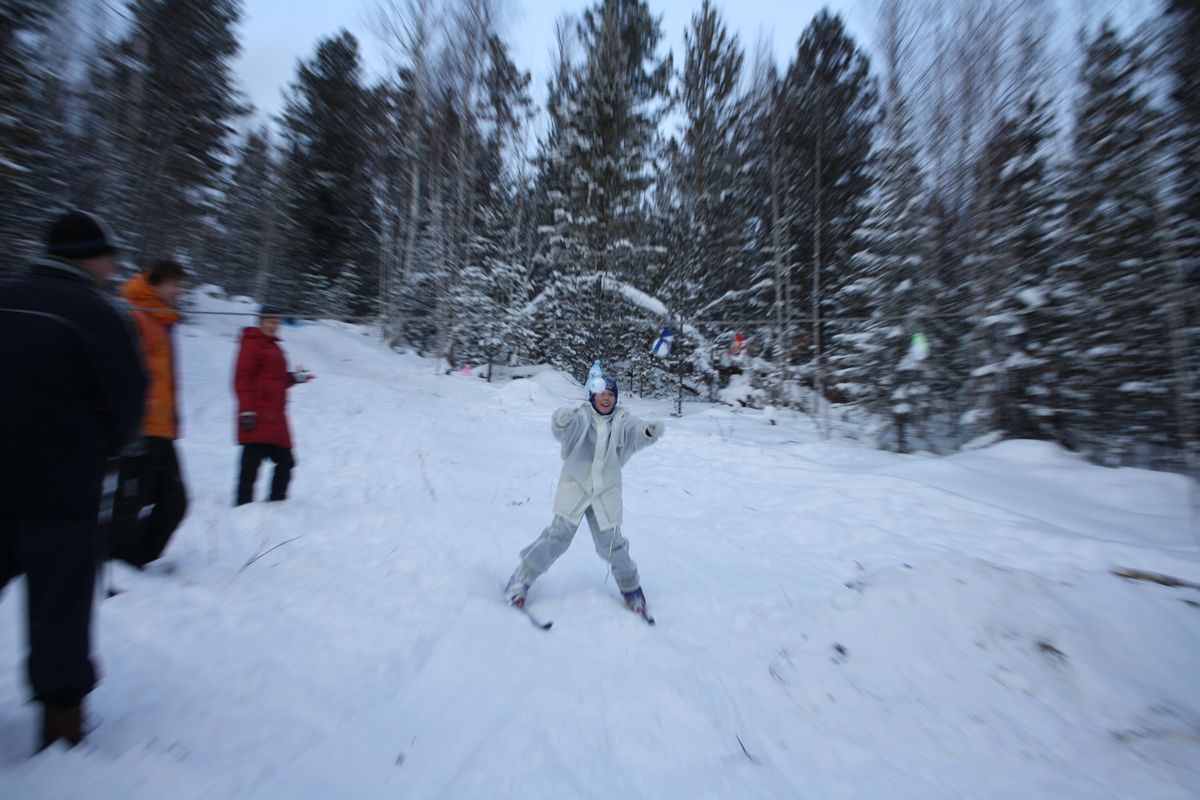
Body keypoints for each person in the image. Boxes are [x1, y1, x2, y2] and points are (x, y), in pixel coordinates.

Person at [0, 210, 146, 751]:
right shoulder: (99, 314)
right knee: (59, 607)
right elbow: (128, 405)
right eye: (108, 256)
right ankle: (61, 726)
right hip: (60, 492)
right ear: (91, 257)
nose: (112, 266)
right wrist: (100, 450)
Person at [504, 374, 664, 617]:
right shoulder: (582, 415)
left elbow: (635, 431)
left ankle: (631, 589)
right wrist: (562, 421)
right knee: (556, 538)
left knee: (613, 546)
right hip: (575, 489)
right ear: (592, 395)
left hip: (605, 493)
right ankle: (521, 579)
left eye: (611, 394)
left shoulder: (622, 420)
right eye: (602, 393)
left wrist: (647, 431)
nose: (606, 398)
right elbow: (564, 430)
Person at [110, 259, 188, 568]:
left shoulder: (162, 320)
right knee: (129, 503)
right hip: (139, 429)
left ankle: (133, 561)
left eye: (181, 285)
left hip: (162, 429)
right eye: (174, 285)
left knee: (175, 502)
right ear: (154, 283)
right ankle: (119, 567)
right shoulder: (134, 317)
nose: (179, 292)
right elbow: (120, 373)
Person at [233, 305, 313, 505]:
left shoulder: (273, 346)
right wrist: (247, 411)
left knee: (286, 462)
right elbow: (242, 377)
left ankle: (277, 506)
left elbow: (275, 380)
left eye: (277, 322)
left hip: (275, 417)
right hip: (257, 414)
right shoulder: (252, 343)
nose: (274, 326)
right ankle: (242, 508)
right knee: (250, 466)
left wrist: (295, 378)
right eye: (270, 321)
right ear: (260, 322)